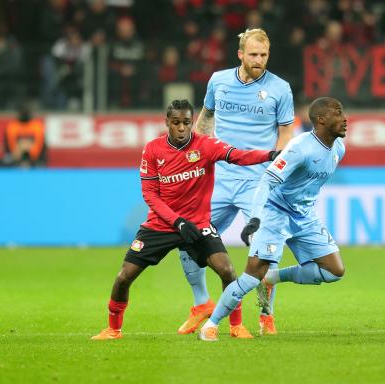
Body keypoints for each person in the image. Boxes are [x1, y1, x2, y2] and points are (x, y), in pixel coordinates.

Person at [91, 99, 281, 340]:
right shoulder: (152, 149)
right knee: (123, 277)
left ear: (192, 123)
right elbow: (150, 194)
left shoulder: (206, 145)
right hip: (160, 225)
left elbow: (238, 156)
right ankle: (113, 329)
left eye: (187, 123)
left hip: (198, 224)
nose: (182, 128)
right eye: (176, 123)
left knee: (228, 271)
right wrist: (177, 221)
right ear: (167, 122)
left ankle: (236, 326)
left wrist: (270, 154)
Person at [176, 28, 295, 338]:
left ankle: (266, 314)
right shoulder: (219, 81)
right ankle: (201, 303)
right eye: (253, 54)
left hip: (257, 181)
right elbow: (205, 120)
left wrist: (277, 167)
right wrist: (194, 154)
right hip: (219, 177)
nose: (259, 60)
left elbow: (285, 134)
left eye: (264, 55)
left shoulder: (280, 89)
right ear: (240, 54)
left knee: (263, 252)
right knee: (188, 237)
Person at [198, 97, 347, 342]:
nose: (345, 118)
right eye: (338, 113)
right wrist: (255, 219)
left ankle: (273, 277)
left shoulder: (339, 148)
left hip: (304, 215)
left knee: (334, 271)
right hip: (275, 212)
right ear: (321, 119)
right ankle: (211, 325)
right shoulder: (300, 147)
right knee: (249, 278)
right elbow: (267, 180)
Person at [3, 103, 47, 168]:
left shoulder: (37, 127)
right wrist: (18, 151)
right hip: (15, 158)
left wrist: (29, 149)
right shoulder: (12, 127)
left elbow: (41, 146)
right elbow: (8, 147)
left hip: (34, 159)